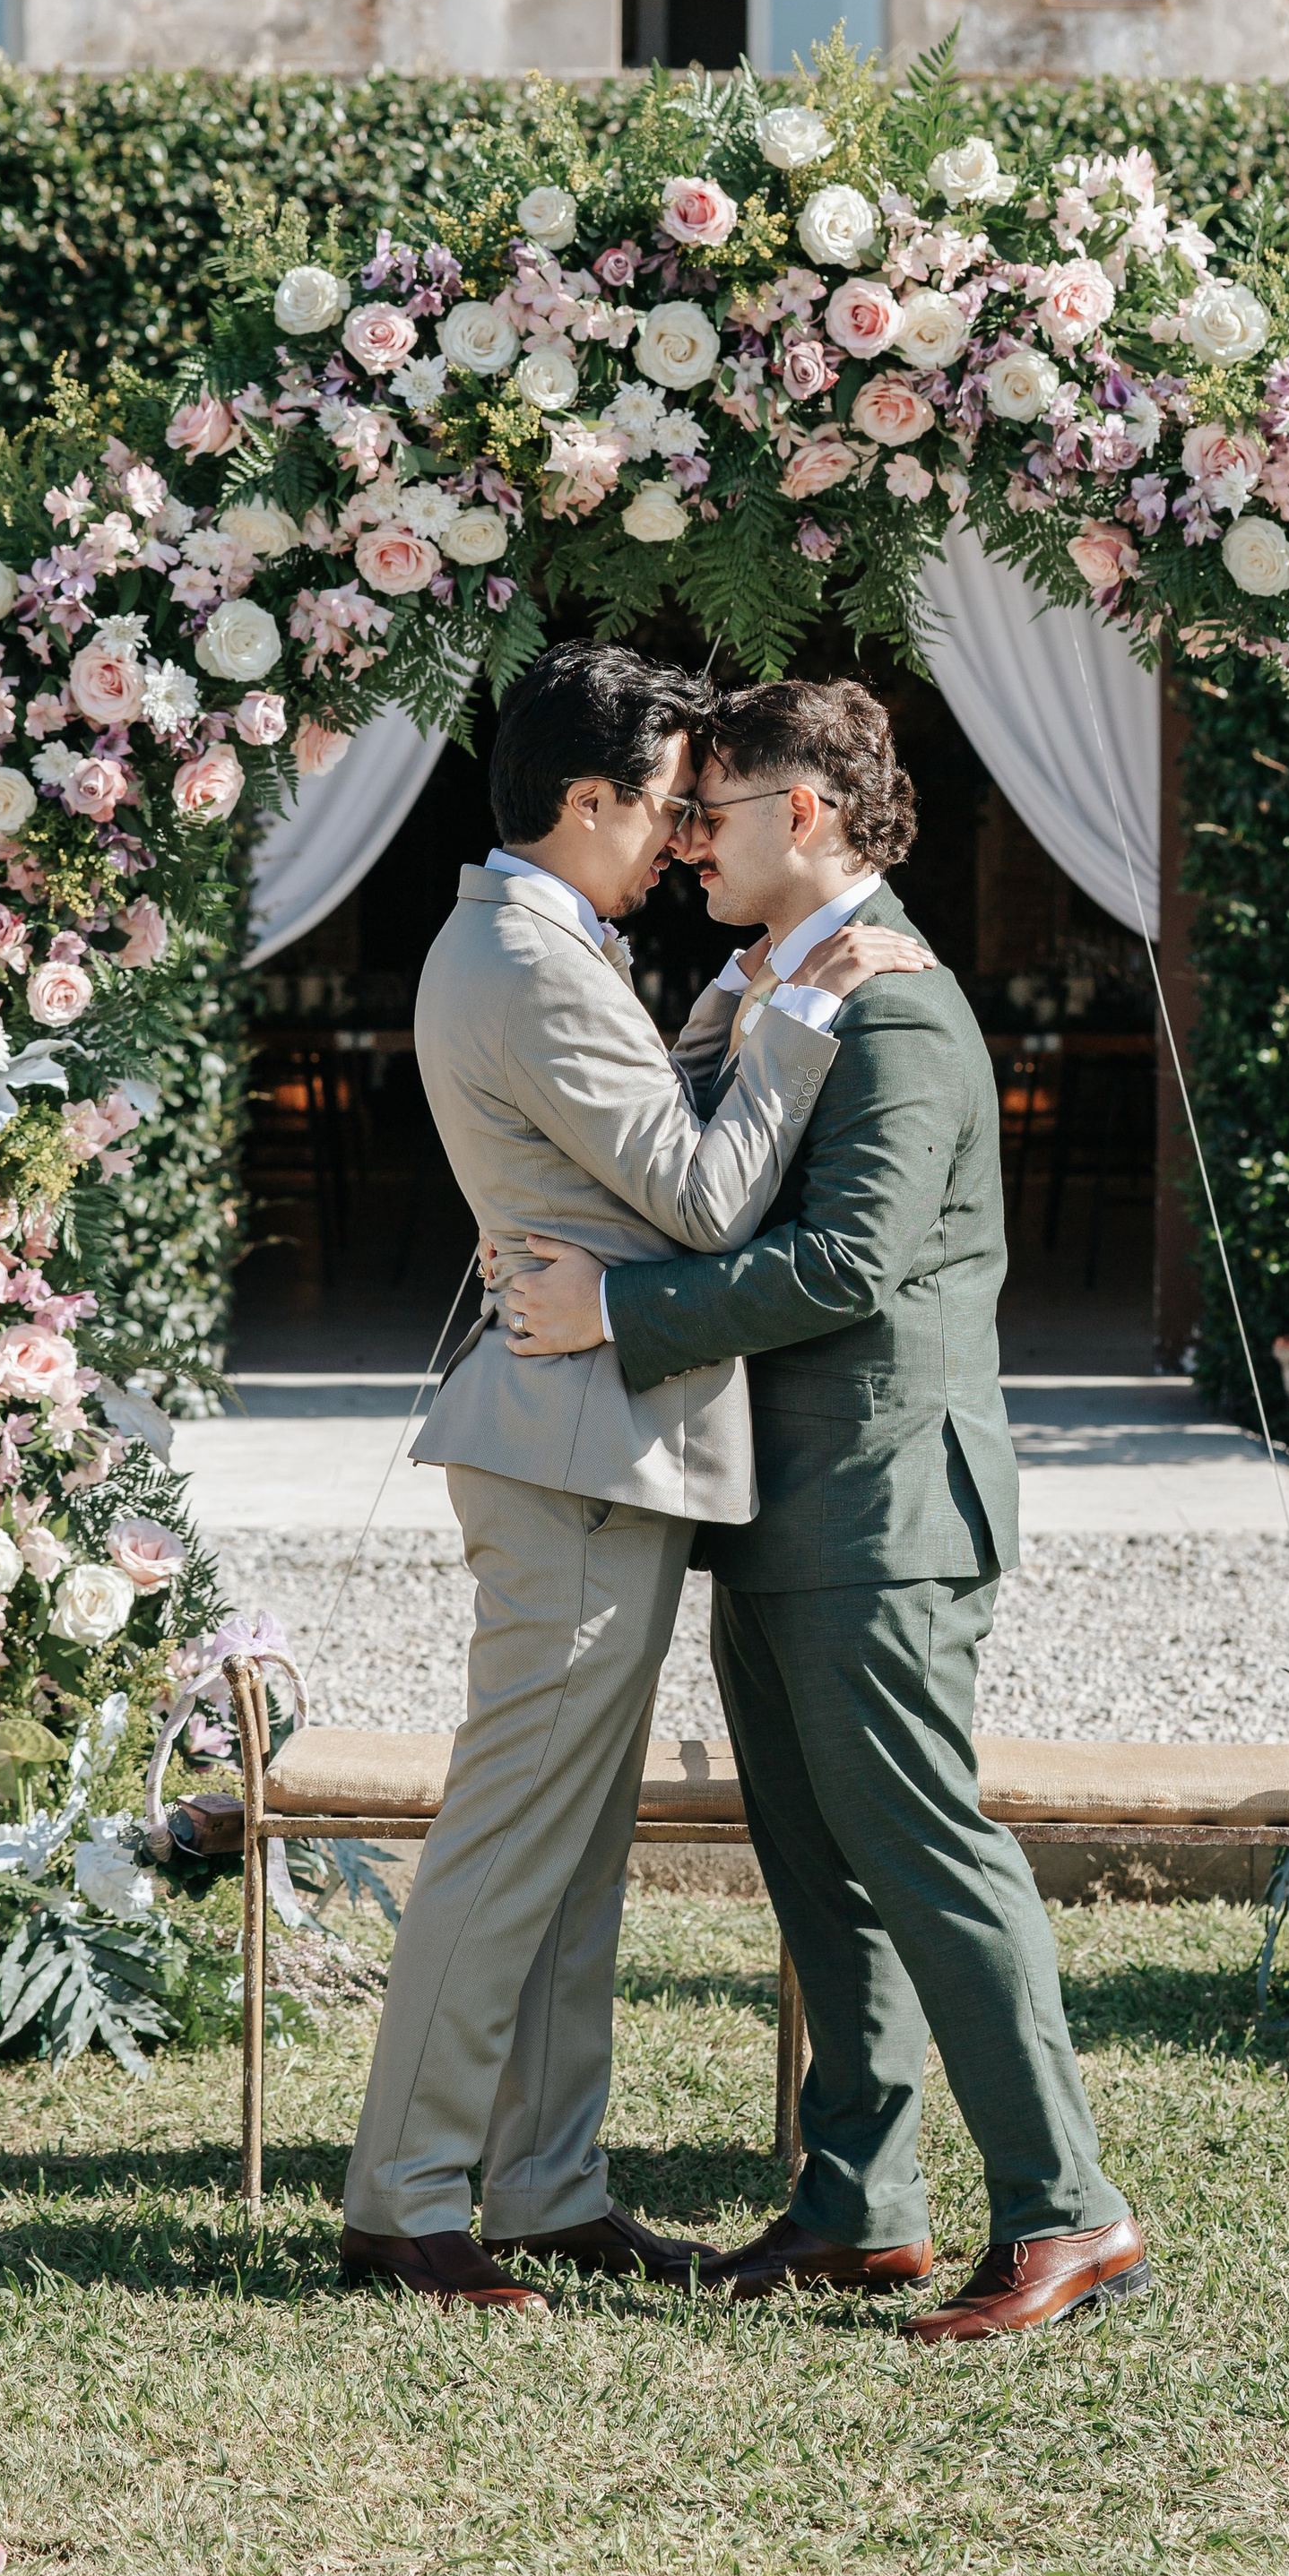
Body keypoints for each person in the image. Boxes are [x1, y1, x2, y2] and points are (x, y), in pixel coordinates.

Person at [502, 679, 1146, 2345]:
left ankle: (1067, 2211)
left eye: (715, 806)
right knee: (821, 1868)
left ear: (808, 816)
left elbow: (850, 1263)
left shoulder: (908, 1013)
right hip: (781, 1505)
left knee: (929, 1855)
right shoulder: (779, 989)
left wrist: (619, 1320)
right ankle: (860, 2205)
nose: (688, 833)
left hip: (879, 1507)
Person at [341, 644, 929, 2313]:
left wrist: (718, 1019)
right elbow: (697, 1199)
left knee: (572, 1844)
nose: (681, 840)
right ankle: (405, 2200)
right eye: (667, 806)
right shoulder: (523, 958)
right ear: (584, 800)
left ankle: (538, 2183)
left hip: (599, 1437)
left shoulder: (541, 946)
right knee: (512, 1839)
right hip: (575, 1447)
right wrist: (798, 1016)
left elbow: (625, 1144)